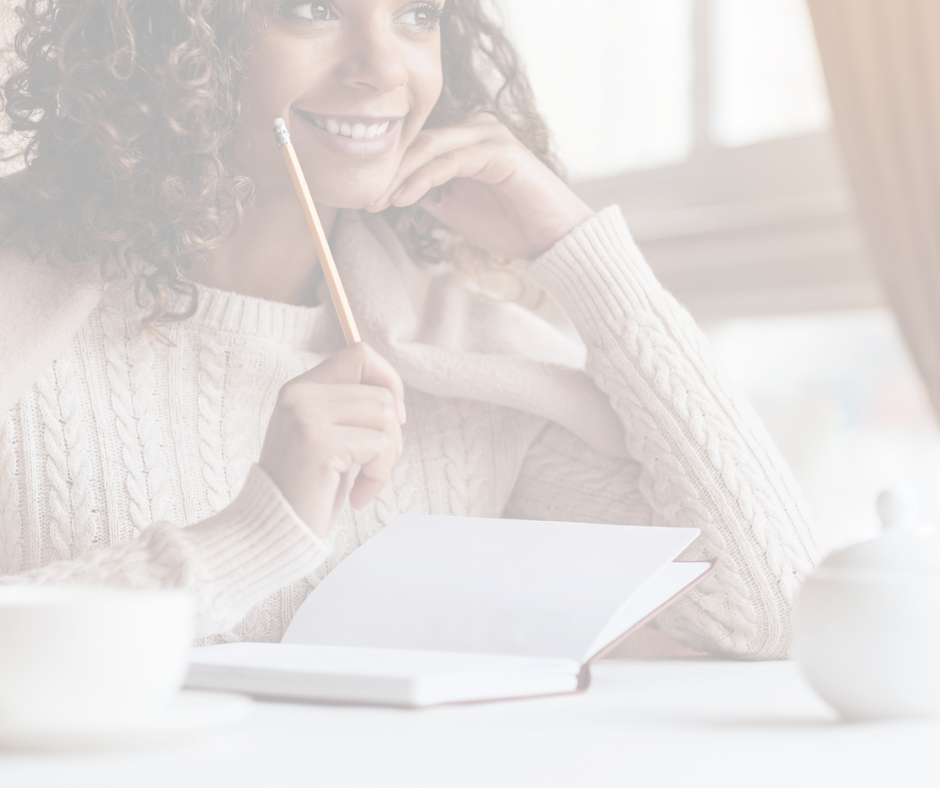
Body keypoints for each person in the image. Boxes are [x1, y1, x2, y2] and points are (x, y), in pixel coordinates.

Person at [0, 0, 819, 657]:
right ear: (172, 37)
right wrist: (254, 531)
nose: (383, 66)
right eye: (313, 10)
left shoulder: (470, 363)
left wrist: (581, 255)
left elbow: (771, 610)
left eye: (418, 15)